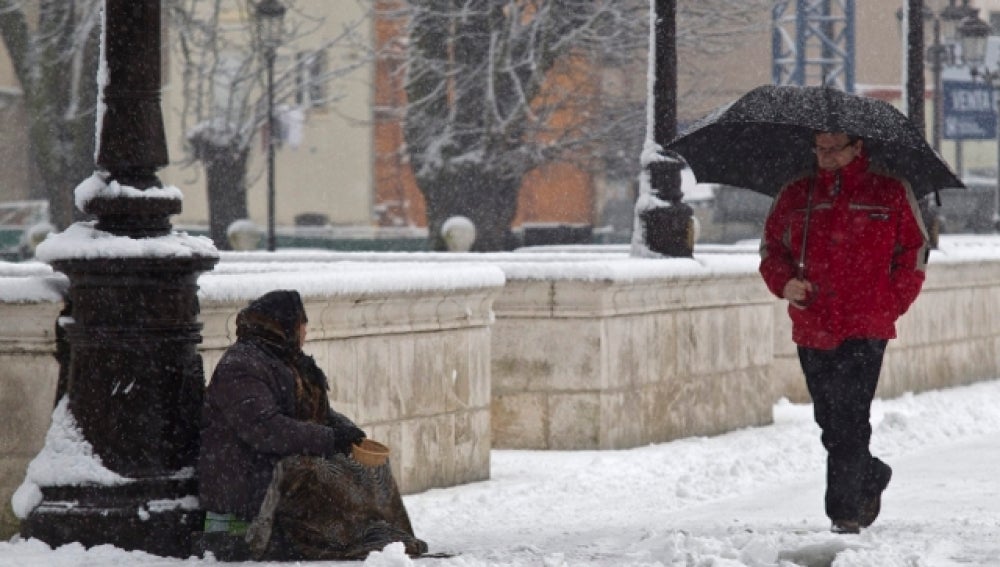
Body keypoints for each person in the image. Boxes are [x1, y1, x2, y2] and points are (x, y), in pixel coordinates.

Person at [758, 131, 929, 534]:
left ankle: (844, 512)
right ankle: (869, 474)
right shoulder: (797, 193)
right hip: (813, 323)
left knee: (851, 416)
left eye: (835, 148)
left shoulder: (890, 191)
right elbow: (771, 250)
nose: (826, 156)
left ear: (857, 147)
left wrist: (891, 302)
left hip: (866, 324)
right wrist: (785, 284)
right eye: (819, 148)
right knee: (830, 419)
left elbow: (914, 252)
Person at [197, 289, 427, 559]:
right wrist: (328, 439)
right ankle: (339, 538)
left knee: (369, 467)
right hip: (249, 471)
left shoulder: (286, 360)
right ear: (283, 326)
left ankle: (388, 537)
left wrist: (344, 431)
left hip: (277, 457)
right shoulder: (242, 365)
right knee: (321, 471)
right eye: (301, 324)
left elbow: (319, 413)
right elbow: (265, 429)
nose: (305, 331)